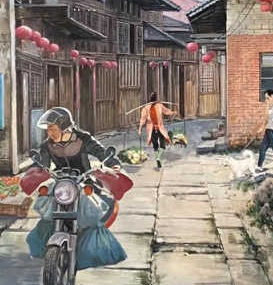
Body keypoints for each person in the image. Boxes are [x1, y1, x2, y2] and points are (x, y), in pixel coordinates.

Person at [25, 107, 127, 270]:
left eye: (53, 129)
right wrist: (33, 172)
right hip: (61, 182)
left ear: (64, 127)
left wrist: (113, 164)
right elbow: (42, 164)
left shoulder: (83, 139)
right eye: (48, 129)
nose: (49, 133)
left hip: (83, 179)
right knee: (48, 211)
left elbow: (101, 153)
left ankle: (88, 249)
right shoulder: (47, 145)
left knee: (95, 211)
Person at [138, 92, 177, 169]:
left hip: (156, 128)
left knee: (155, 145)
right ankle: (158, 157)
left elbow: (143, 120)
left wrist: (140, 129)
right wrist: (173, 112)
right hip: (155, 128)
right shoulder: (152, 107)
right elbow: (166, 112)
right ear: (156, 99)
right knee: (162, 144)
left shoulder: (149, 107)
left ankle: (157, 158)